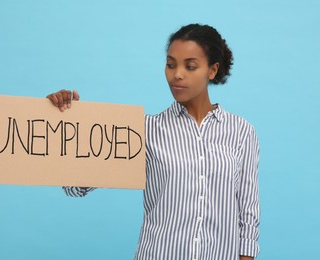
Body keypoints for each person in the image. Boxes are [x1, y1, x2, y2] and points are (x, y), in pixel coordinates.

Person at [47, 23, 260, 260]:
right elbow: (75, 187)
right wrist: (65, 121)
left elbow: (248, 216)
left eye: (190, 66)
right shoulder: (145, 130)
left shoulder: (242, 132)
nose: (177, 74)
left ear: (212, 70)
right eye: (170, 65)